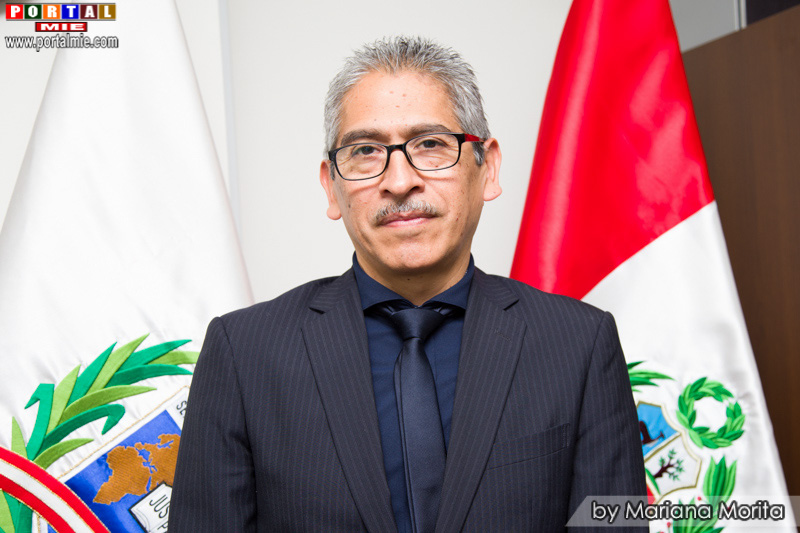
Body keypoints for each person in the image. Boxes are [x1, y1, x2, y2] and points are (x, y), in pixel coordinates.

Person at [170, 36, 646, 532]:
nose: (399, 182)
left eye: (431, 145)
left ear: (488, 168)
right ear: (331, 186)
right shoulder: (244, 352)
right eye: (365, 151)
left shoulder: (580, 343)